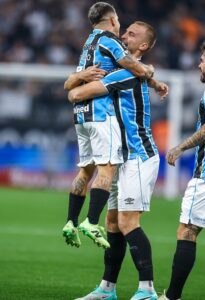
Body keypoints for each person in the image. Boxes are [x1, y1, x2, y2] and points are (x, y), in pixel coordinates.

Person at [67, 21, 168, 300]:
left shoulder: (124, 74)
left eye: (131, 35)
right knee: (112, 223)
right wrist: (153, 78)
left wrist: (77, 81)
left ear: (143, 46)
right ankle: (107, 289)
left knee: (127, 222)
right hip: (121, 157)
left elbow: (76, 94)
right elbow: (145, 72)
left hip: (138, 156)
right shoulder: (127, 71)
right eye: (125, 31)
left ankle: (146, 289)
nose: (124, 36)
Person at [62, 2, 155, 249]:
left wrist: (77, 78)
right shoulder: (109, 40)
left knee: (86, 169)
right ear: (113, 20)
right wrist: (150, 72)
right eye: (121, 26)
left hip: (80, 116)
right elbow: (133, 66)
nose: (123, 33)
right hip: (100, 114)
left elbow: (68, 87)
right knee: (108, 168)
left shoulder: (87, 45)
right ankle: (91, 221)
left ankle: (71, 221)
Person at [158, 40, 205, 300]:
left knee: (187, 230)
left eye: (201, 60)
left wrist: (179, 147)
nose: (198, 65)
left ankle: (172, 296)